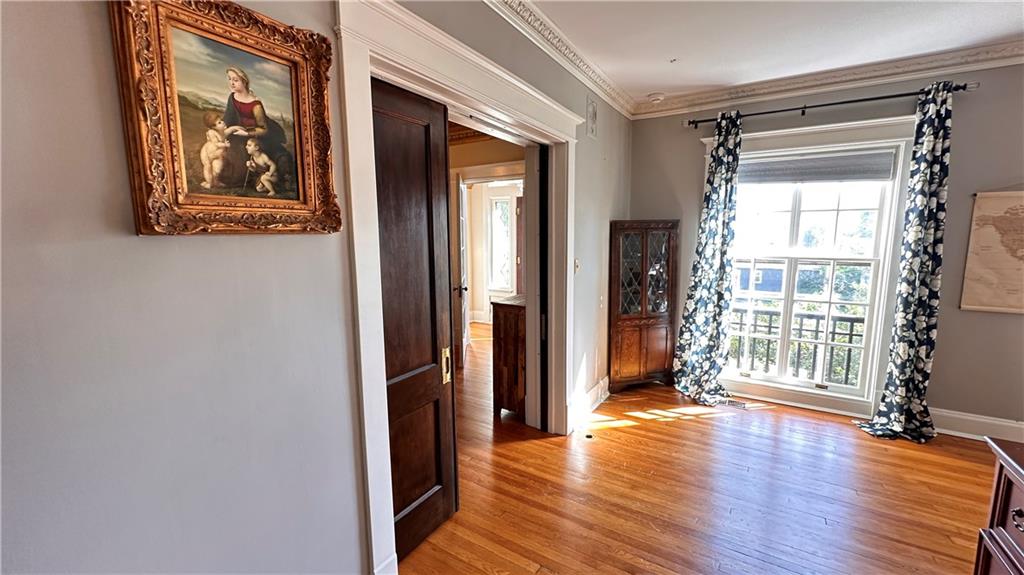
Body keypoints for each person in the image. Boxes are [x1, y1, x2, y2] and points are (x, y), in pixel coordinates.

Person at [220, 66, 293, 190]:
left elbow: (263, 129)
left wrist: (246, 133)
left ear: (244, 82)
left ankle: (265, 181)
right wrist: (228, 130)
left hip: (257, 135)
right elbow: (228, 118)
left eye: (235, 80)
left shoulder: (256, 105)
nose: (231, 83)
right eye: (230, 79)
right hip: (238, 133)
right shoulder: (232, 97)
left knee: (274, 158)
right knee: (231, 156)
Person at [198, 111, 241, 189]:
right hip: (207, 153)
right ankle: (209, 183)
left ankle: (215, 181)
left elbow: (229, 130)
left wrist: (236, 128)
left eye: (221, 120)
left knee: (218, 169)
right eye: (219, 122)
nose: (223, 122)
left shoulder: (221, 132)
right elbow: (216, 144)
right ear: (213, 127)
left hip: (218, 154)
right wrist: (225, 145)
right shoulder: (211, 132)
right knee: (208, 167)